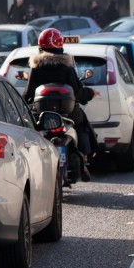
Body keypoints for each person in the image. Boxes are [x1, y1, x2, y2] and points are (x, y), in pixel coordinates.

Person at [22, 28, 99, 176]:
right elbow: (78, 91)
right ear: (59, 44)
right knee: (83, 125)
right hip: (68, 111)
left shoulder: (37, 66)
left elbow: (29, 92)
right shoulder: (66, 65)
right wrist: (89, 93)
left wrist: (21, 106)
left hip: (41, 113)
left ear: (40, 46)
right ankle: (84, 156)